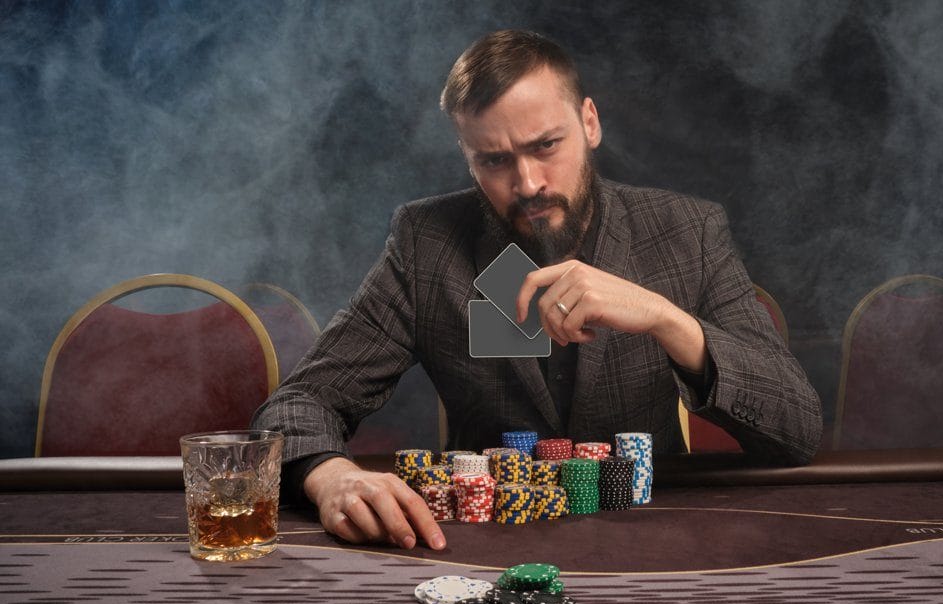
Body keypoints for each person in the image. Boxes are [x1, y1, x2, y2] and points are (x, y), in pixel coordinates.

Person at [251, 30, 822, 553]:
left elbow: (796, 429)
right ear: (466, 155)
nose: (527, 184)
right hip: (483, 544)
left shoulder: (685, 233)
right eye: (494, 160)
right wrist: (331, 476)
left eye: (546, 145)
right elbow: (300, 403)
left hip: (653, 536)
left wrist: (667, 320)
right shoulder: (428, 243)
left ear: (590, 123)